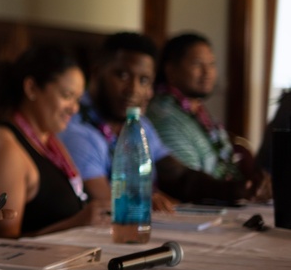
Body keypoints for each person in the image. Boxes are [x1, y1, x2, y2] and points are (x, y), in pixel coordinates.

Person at [59, 32, 253, 210]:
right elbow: (106, 203)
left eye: (144, 80)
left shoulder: (140, 123)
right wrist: (145, 203)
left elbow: (177, 175)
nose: (133, 90)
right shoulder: (76, 127)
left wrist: (236, 190)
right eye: (123, 75)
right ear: (96, 72)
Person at [0, 45, 102, 238]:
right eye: (67, 96)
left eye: (78, 99)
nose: (74, 109)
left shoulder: (49, 140)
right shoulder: (2, 144)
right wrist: (76, 224)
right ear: (32, 88)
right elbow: (2, 243)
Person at [147, 32, 270, 200]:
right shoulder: (163, 114)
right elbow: (187, 184)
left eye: (212, 64)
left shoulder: (197, 110)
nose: (207, 72)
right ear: (171, 70)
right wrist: (237, 190)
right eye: (198, 64)